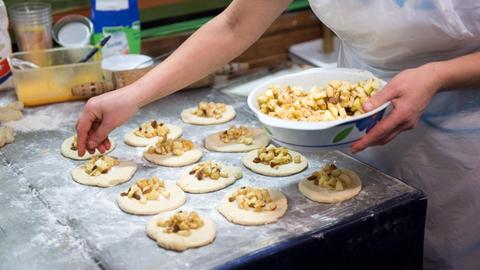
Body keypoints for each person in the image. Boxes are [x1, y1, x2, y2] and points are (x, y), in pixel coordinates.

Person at [76, 1, 480, 269]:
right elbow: (235, 24)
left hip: (464, 137)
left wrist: (437, 75)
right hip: (350, 117)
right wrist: (134, 95)